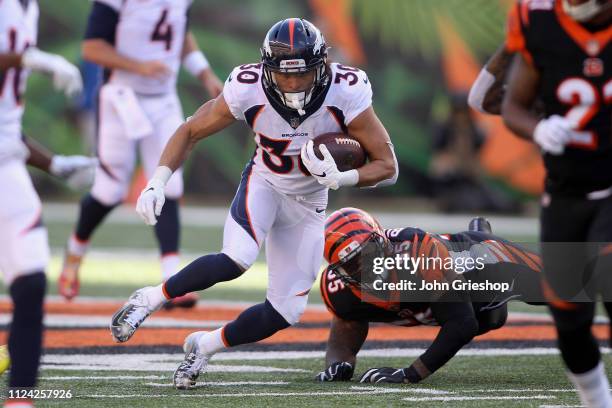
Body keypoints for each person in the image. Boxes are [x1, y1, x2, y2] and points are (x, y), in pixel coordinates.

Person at [109, 18, 398, 390]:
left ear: (322, 66)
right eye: (283, 75)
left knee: (285, 312)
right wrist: (157, 182)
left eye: (302, 74)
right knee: (236, 258)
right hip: (264, 184)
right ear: (265, 69)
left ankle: (205, 345)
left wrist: (342, 178)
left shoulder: (346, 90)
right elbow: (190, 130)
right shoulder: (247, 89)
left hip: (309, 202)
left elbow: (387, 166)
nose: (292, 85)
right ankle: (150, 298)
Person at [59, 0, 224, 307]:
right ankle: (75, 251)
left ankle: (172, 277)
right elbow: (92, 48)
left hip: (162, 99)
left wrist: (205, 74)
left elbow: (181, 35)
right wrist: (139, 66)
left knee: (170, 183)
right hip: (121, 97)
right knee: (109, 191)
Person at [501, 0, 612, 406]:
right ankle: (597, 401)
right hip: (566, 191)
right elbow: (513, 105)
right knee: (569, 317)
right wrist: (539, 128)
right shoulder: (539, 18)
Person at [316, 208, 543, 383]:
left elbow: (462, 324)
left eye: (366, 254)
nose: (362, 267)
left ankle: (482, 234)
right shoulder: (341, 291)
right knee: (491, 319)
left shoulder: (418, 254)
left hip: (480, 265)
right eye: (350, 265)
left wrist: (411, 374)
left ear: (383, 242)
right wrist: (338, 364)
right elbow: (345, 331)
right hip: (448, 306)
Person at [0, 0, 96, 405]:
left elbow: (6, 126)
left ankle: (21, 397)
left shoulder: (28, 8)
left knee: (33, 278)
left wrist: (53, 163)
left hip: (7, 165)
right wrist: (35, 59)